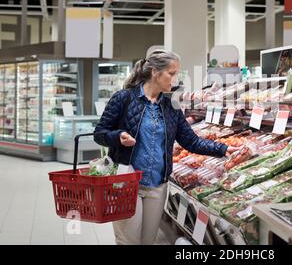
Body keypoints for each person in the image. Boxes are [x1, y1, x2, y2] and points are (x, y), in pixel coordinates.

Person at [94, 50, 239, 245]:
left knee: (148, 241)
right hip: (126, 183)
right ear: (155, 72)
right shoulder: (124, 98)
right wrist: (118, 136)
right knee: (128, 241)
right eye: (171, 73)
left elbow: (191, 141)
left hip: (157, 186)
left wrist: (222, 149)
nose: (175, 78)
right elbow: (100, 133)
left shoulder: (171, 106)